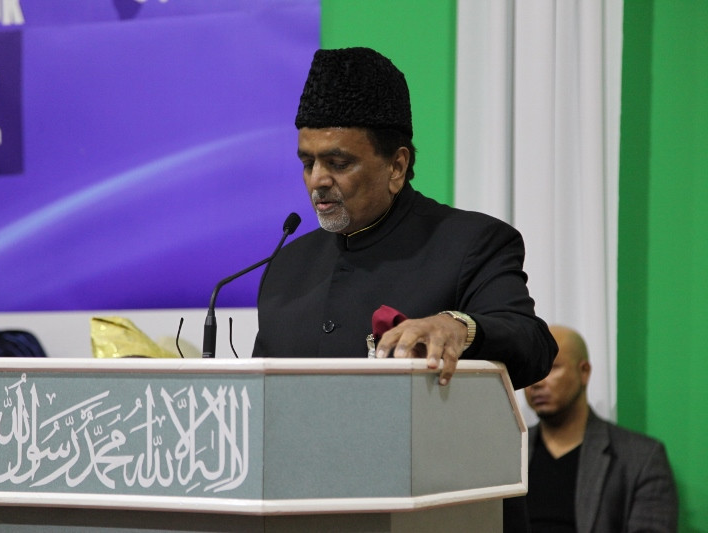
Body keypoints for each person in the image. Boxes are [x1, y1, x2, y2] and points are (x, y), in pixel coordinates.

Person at [252, 46, 557, 389]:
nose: (317, 180)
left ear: (396, 167)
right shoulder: (286, 266)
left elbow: (533, 344)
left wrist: (459, 326)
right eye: (308, 164)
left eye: (338, 164)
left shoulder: (471, 243)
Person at [523, 325, 678, 532]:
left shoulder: (642, 458)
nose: (536, 383)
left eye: (550, 368)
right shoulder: (508, 452)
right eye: (528, 371)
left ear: (584, 371)